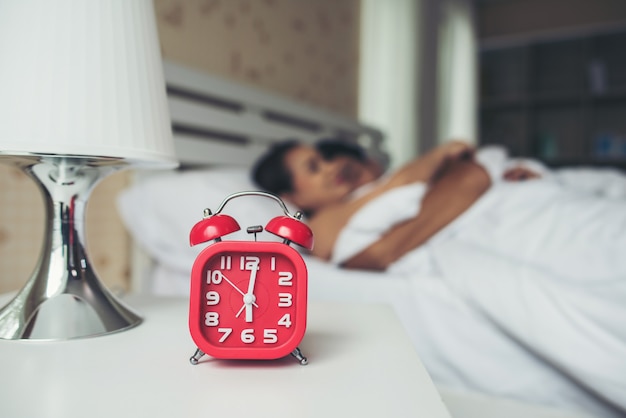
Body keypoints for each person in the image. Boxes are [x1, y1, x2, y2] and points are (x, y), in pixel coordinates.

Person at [252, 138, 529, 270]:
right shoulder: (321, 228)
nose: (330, 168)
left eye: (324, 159)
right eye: (314, 168)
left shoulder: (361, 195)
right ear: (290, 196)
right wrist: (442, 156)